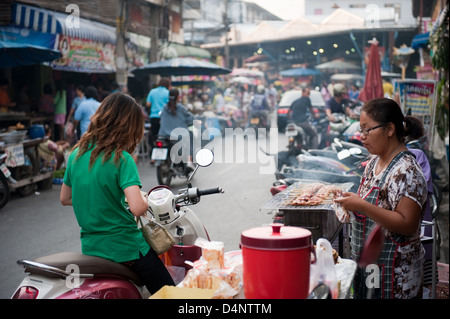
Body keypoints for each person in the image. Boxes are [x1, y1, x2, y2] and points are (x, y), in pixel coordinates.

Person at [60, 92, 175, 294]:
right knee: (170, 292)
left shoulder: (75, 154)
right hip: (126, 248)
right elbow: (138, 208)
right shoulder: (121, 158)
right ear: (129, 126)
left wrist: (100, 201)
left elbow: (65, 198)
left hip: (92, 250)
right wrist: (143, 199)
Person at [334, 97, 428, 299]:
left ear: (390, 129)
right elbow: (371, 205)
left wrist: (361, 205)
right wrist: (352, 202)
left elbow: (407, 224)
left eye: (367, 130)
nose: (362, 136)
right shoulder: (372, 163)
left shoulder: (407, 171)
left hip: (397, 275)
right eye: (361, 130)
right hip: (370, 269)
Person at [158, 88, 194, 166]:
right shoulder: (180, 108)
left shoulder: (165, 107)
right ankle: (189, 161)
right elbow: (190, 118)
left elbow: (161, 117)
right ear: (178, 97)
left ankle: (154, 159)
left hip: (163, 135)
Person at [146, 78, 171, 147]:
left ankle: (154, 150)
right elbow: (170, 105)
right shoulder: (168, 92)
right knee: (165, 136)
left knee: (155, 136)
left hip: (154, 117)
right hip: (164, 118)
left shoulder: (152, 91)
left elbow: (148, 104)